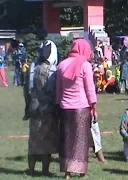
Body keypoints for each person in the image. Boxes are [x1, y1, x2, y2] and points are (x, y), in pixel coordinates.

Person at [56, 39, 97, 179]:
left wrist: (58, 105)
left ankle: (67, 173)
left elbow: (58, 90)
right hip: (81, 108)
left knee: (67, 140)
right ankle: (80, 172)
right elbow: (90, 89)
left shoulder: (61, 65)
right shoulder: (85, 65)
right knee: (81, 141)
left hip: (65, 108)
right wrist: (94, 107)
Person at [27, 40, 59, 176]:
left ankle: (31, 169)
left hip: (34, 108)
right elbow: (53, 90)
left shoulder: (32, 67)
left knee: (33, 140)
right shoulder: (52, 70)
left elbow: (27, 89)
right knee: (47, 140)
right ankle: (45, 170)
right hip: (48, 109)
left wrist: (28, 106)